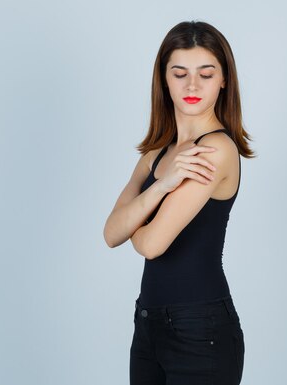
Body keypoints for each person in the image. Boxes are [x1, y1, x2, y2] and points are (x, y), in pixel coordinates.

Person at [103, 20, 256, 385]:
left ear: (224, 80)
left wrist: (136, 220)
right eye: (179, 73)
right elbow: (110, 234)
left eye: (206, 74)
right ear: (164, 79)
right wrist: (161, 186)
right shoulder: (157, 154)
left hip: (200, 331)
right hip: (147, 326)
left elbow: (151, 244)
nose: (191, 85)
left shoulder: (216, 150)